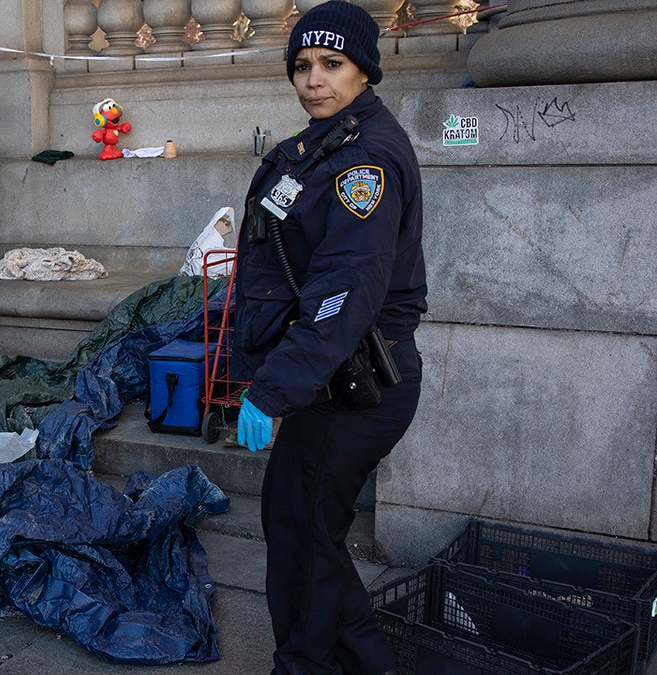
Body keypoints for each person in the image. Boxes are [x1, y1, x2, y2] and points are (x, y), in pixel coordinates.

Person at [231, 2, 426, 673]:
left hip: (357, 386)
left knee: (306, 546)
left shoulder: (363, 160)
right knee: (304, 533)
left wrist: (274, 389)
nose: (314, 79)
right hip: (328, 379)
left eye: (332, 64)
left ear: (364, 70)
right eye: (304, 65)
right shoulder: (324, 143)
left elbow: (344, 292)